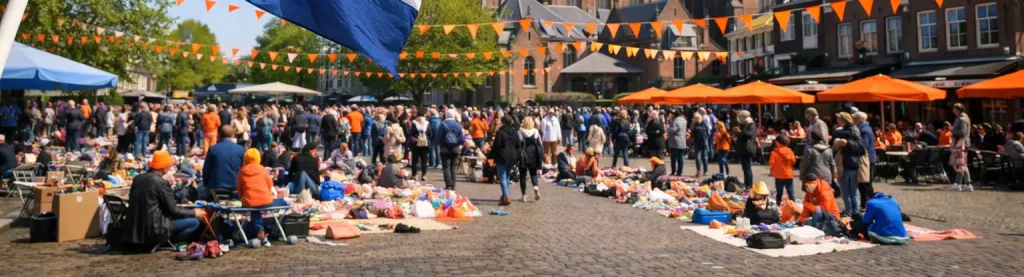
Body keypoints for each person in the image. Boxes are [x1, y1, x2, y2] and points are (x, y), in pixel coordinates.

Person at [124, 150, 206, 247]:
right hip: (154, 228)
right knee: (194, 222)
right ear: (164, 167)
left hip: (136, 228)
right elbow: (173, 210)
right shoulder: (160, 182)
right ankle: (169, 241)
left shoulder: (138, 178)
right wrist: (195, 213)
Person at [236, 148, 287, 246]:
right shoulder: (262, 169)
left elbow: (239, 189)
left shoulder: (242, 171)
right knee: (283, 202)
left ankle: (260, 232)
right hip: (266, 200)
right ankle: (274, 228)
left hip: (250, 202)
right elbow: (269, 185)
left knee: (255, 210)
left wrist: (244, 197)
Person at [833, 112, 866, 215]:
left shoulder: (852, 131)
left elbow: (860, 148)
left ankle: (851, 211)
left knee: (848, 191)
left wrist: (846, 143)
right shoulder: (847, 130)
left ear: (843, 120)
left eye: (839, 118)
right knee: (849, 190)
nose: (837, 120)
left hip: (850, 164)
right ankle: (852, 211)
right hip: (848, 163)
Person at [202, 125, 245, 200]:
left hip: (216, 187)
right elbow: (244, 170)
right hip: (235, 187)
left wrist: (206, 184)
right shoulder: (241, 149)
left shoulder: (213, 149)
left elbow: (206, 170)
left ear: (219, 135)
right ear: (233, 135)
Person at [489, 115, 520, 206]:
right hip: (512, 156)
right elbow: (518, 145)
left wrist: (491, 156)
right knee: (506, 176)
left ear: (503, 122)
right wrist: (518, 157)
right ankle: (505, 195)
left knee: (502, 176)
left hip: (502, 155)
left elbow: (496, 146)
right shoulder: (514, 131)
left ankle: (506, 196)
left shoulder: (500, 132)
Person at [434, 109, 465, 191]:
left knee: (446, 166)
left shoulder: (443, 124)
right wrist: (460, 144)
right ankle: (453, 185)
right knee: (453, 166)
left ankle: (448, 184)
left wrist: (436, 144)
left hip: (444, 148)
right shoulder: (458, 125)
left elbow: (438, 136)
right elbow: (462, 139)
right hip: (455, 148)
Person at [518, 116, 543, 202]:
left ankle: (524, 195)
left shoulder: (520, 131)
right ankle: (535, 186)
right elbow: (540, 144)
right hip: (533, 154)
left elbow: (518, 143)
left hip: (523, 155)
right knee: (533, 173)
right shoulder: (536, 131)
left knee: (522, 175)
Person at [949, 103, 972, 191]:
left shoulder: (963, 119)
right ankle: (962, 183)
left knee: (961, 163)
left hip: (961, 143)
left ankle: (963, 183)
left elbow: (962, 132)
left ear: (958, 109)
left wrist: (952, 130)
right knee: (961, 163)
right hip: (960, 143)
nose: (953, 111)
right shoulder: (961, 118)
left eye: (954, 109)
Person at [769, 135, 796, 204]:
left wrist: (771, 170)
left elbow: (772, 163)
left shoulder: (774, 153)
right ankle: (793, 206)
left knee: (779, 192)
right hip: (788, 174)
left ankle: (778, 206)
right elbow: (793, 161)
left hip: (778, 175)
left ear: (778, 142)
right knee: (790, 192)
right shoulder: (789, 151)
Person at [736, 110, 758, 189]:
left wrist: (741, 132)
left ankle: (749, 184)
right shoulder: (744, 124)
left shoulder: (751, 124)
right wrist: (738, 132)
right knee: (744, 168)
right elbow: (742, 134)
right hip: (742, 148)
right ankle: (746, 183)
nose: (739, 118)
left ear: (744, 117)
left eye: (740, 117)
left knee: (747, 167)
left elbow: (750, 134)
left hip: (747, 148)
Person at [408, 116, 432, 181]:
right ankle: (424, 175)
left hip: (416, 144)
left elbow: (411, 134)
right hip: (425, 145)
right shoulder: (427, 124)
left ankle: (414, 174)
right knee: (424, 160)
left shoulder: (414, 124)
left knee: (414, 160)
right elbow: (430, 134)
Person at [666, 110, 687, 176]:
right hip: (682, 140)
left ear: (675, 115)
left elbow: (673, 130)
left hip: (675, 141)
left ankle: (673, 171)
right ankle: (679, 172)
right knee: (680, 158)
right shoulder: (684, 120)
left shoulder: (675, 121)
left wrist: (668, 129)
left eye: (672, 114)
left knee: (673, 158)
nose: (670, 115)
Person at [691, 113, 710, 178]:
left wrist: (706, 141)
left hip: (704, 143)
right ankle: (698, 171)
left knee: (704, 158)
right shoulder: (695, 125)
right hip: (697, 143)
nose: (695, 119)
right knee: (698, 158)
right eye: (694, 118)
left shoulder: (704, 124)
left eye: (696, 118)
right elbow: (692, 133)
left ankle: (705, 171)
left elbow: (708, 133)